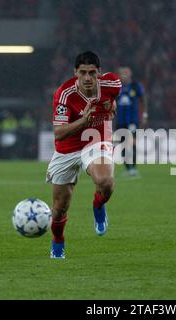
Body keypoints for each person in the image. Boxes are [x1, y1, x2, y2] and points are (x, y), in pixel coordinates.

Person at [46, 51, 121, 259]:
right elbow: (59, 134)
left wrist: (111, 105)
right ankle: (58, 241)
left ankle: (98, 205)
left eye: (92, 73)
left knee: (105, 181)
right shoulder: (64, 94)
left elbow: (112, 99)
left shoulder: (113, 84)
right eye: (82, 73)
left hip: (97, 139)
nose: (87, 78)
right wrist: (83, 121)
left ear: (99, 73)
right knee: (60, 208)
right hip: (67, 149)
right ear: (75, 73)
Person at [116, 66, 147, 177]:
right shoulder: (116, 87)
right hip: (120, 121)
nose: (123, 75)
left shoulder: (135, 86)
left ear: (130, 74)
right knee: (123, 145)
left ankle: (133, 168)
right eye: (121, 73)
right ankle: (127, 168)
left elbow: (143, 100)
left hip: (132, 121)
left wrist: (144, 115)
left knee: (132, 144)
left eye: (125, 72)